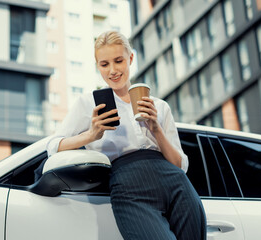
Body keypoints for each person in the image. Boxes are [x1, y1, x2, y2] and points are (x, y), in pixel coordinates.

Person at [46, 30, 206, 240]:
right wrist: (91, 135)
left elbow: (180, 165)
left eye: (118, 61)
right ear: (98, 67)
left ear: (130, 59)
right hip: (129, 188)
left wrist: (155, 128)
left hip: (176, 185)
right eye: (104, 64)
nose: (112, 70)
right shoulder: (89, 104)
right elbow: (53, 147)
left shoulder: (159, 106)